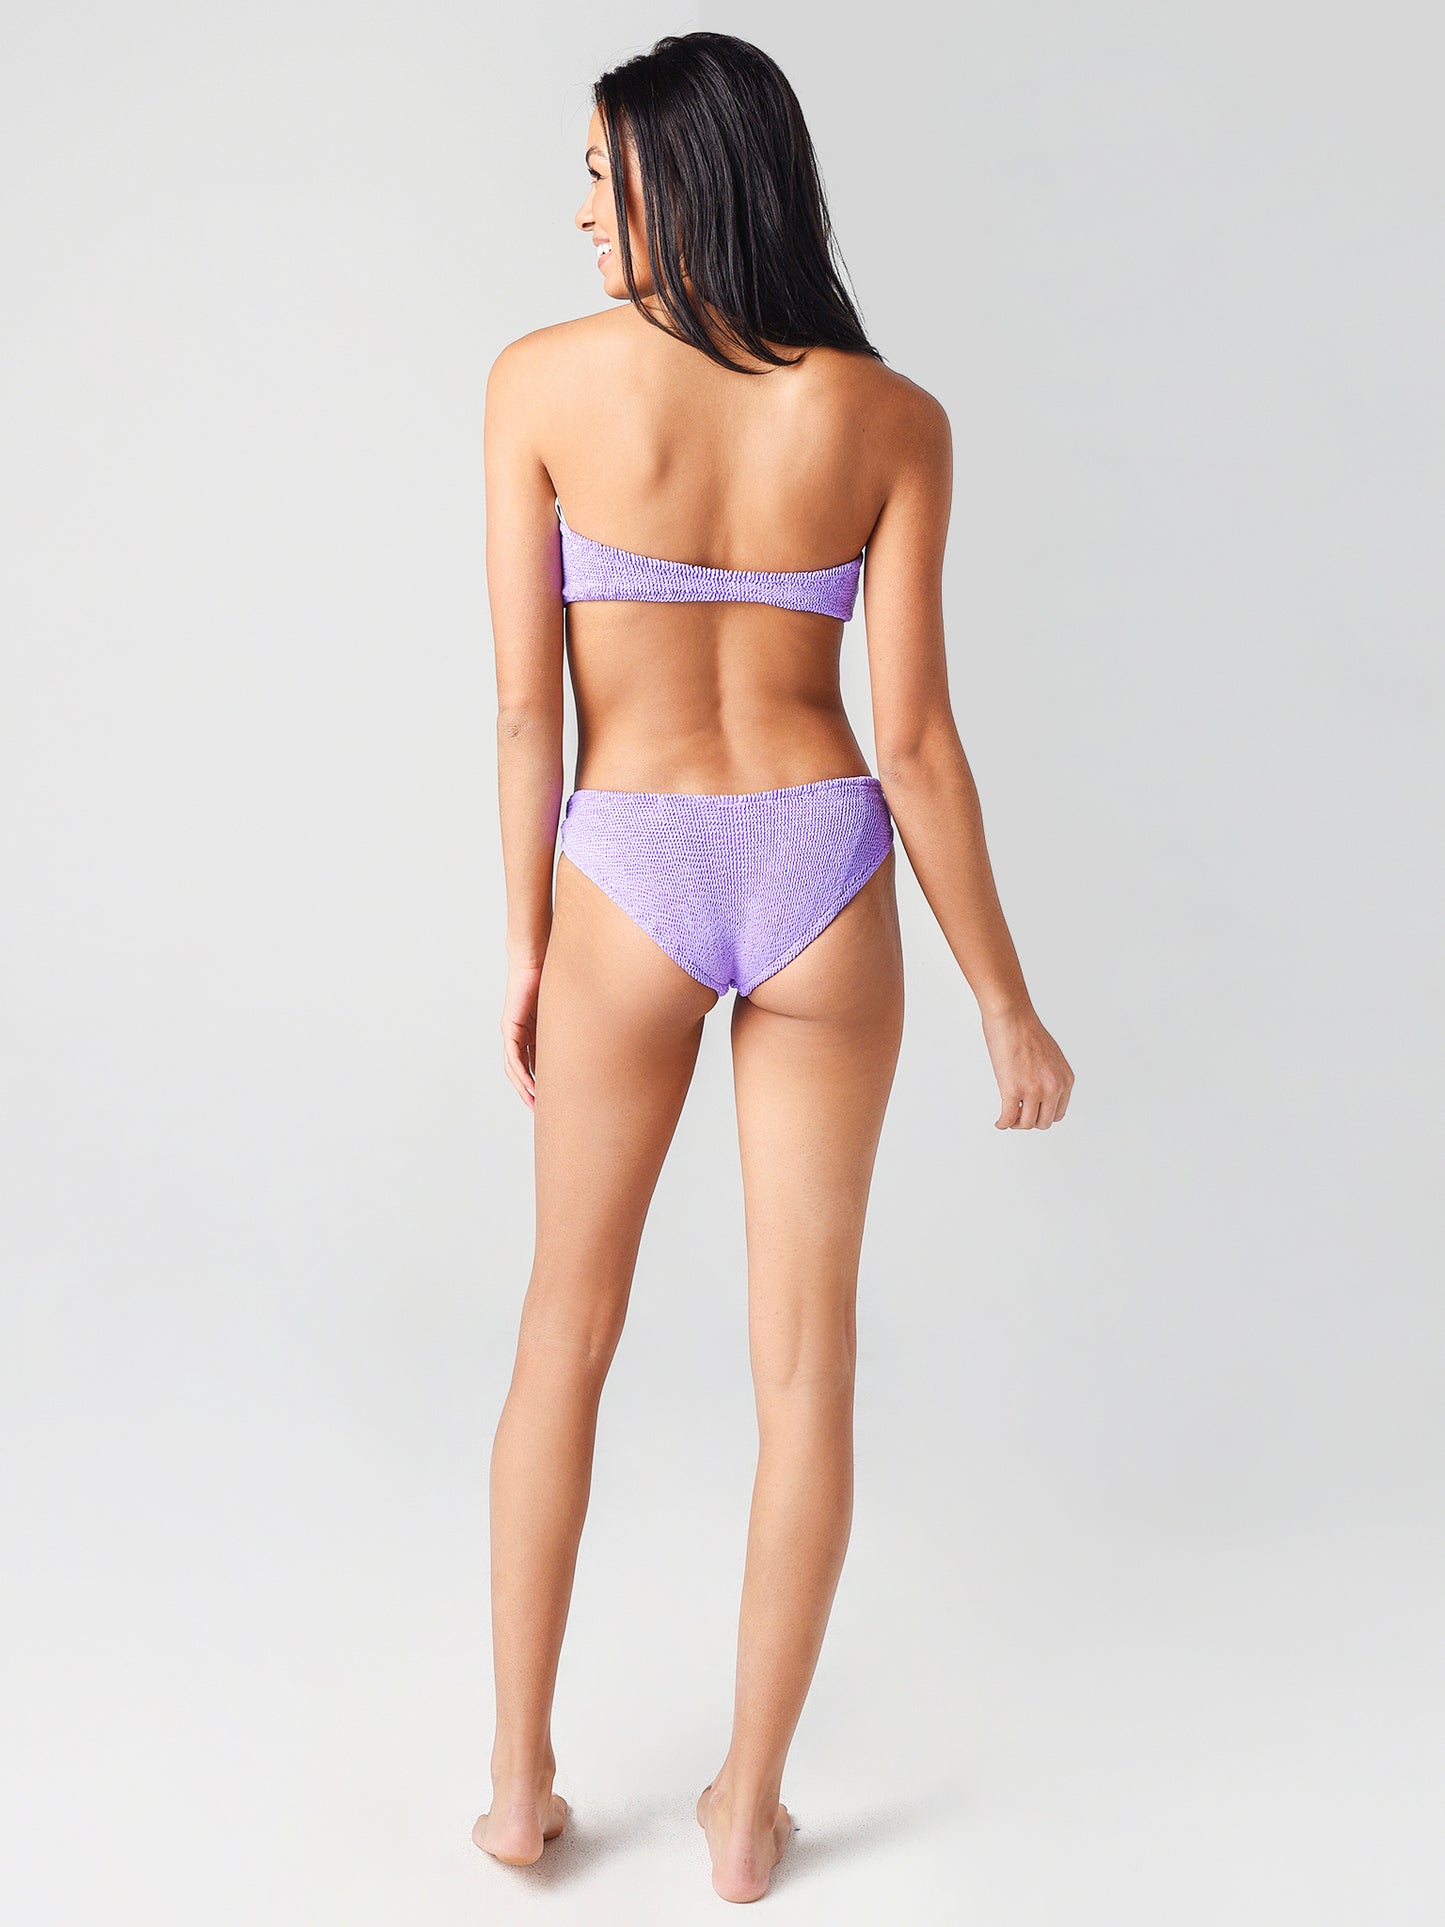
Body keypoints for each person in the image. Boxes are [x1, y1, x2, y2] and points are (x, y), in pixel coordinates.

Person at [472, 30, 1074, 1905]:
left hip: (628, 874)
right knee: (807, 1366)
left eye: (602, 176)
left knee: (562, 1335)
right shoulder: (889, 417)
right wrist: (1001, 1002)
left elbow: (525, 715)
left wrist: (527, 940)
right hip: (825, 872)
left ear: (684, 175)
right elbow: (919, 747)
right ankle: (746, 1812)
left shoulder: (539, 386)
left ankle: (517, 1788)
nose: (582, 214)